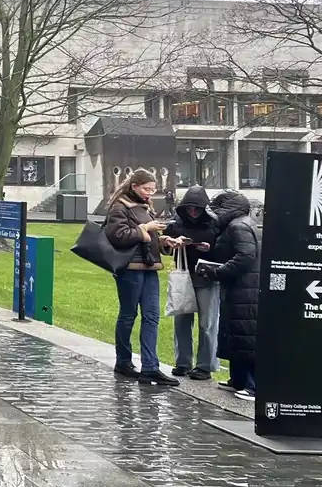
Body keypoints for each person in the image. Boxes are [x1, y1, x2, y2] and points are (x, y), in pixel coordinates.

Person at [105, 169, 179, 386]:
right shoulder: (119, 207)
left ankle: (150, 367)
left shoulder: (146, 207)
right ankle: (124, 361)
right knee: (128, 315)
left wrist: (164, 241)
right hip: (129, 268)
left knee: (152, 316)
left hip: (149, 267)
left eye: (152, 189)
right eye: (146, 189)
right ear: (134, 186)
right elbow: (118, 236)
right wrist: (145, 228)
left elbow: (148, 237)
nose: (150, 193)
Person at [209, 191, 260, 401]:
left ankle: (253, 385)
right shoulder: (239, 224)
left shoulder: (238, 226)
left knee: (245, 334)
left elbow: (246, 256)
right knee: (236, 333)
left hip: (245, 287)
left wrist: (218, 272)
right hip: (239, 286)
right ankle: (238, 379)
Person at [164, 186, 220, 380]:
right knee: (182, 320)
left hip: (207, 277)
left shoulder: (215, 225)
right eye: (190, 208)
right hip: (185, 276)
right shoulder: (176, 224)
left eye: (197, 209)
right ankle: (183, 362)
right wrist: (173, 242)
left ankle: (205, 366)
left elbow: (223, 252)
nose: (193, 212)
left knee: (207, 323)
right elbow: (165, 248)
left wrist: (210, 249)